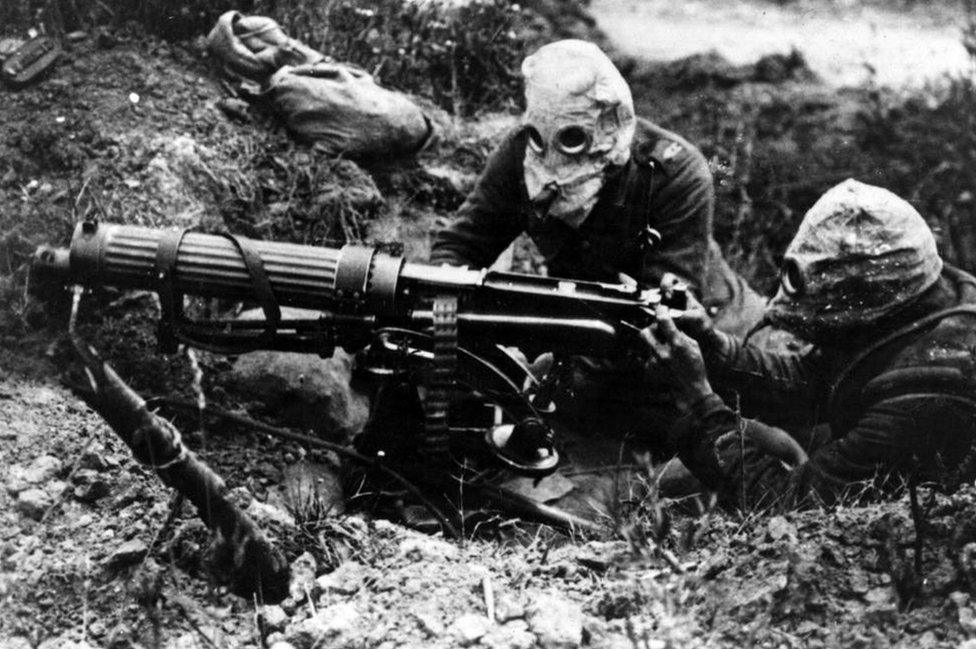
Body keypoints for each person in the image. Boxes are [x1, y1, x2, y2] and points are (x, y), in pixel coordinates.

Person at [429, 39, 767, 461]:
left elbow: (661, 324)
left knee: (702, 451)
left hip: (707, 335)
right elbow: (460, 245)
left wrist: (540, 377)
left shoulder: (675, 173)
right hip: (587, 329)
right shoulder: (521, 154)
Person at [642, 179, 976, 510]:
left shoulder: (932, 390)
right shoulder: (920, 296)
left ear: (865, 315)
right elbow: (819, 378)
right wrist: (717, 352)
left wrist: (700, 405)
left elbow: (793, 504)